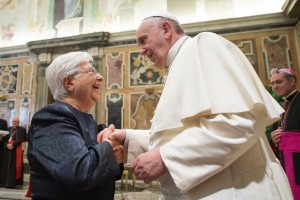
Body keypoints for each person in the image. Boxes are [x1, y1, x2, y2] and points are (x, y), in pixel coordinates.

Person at [99, 11, 293, 199]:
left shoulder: (203, 45)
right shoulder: (177, 65)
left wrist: (166, 158)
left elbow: (238, 121)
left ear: (166, 29)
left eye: (143, 40)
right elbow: (182, 136)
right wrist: (128, 138)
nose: (141, 50)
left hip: (240, 190)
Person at [27, 51, 123, 200]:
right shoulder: (52, 118)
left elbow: (104, 171)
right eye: (91, 71)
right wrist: (109, 145)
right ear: (69, 83)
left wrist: (115, 152)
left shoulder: (86, 120)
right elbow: (81, 173)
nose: (100, 77)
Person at [270, 67, 300, 200]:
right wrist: (274, 139)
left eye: (279, 82)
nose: (275, 86)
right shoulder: (280, 108)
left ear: (292, 81)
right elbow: (275, 137)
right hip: (285, 163)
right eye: (273, 83)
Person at [0, 116, 26, 188]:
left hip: (16, 151)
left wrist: (13, 145)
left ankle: (14, 183)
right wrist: (7, 145)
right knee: (7, 167)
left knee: (15, 167)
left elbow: (20, 139)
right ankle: (6, 183)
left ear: (18, 122)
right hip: (8, 152)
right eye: (13, 121)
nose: (14, 123)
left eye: (16, 121)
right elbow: (4, 139)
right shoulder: (9, 129)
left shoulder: (22, 129)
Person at [0, 118, 8, 187]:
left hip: (1, 147)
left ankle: (1, 182)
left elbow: (7, 135)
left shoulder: (3, 122)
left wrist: (2, 138)